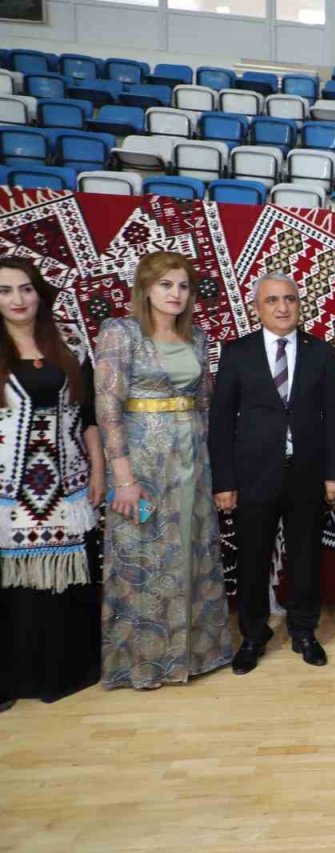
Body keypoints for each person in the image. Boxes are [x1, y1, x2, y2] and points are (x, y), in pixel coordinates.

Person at [97, 252, 232, 690]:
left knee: (192, 552)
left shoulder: (199, 338)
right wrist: (123, 479)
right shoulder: (121, 333)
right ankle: (145, 661)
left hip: (192, 462)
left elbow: (206, 406)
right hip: (143, 464)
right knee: (145, 558)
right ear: (146, 289)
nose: (175, 294)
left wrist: (209, 465)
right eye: (166, 285)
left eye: (183, 286)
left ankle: (196, 655)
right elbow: (108, 409)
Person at [209, 273, 335, 674]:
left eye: (289, 298)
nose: (282, 307)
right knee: (253, 558)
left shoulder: (320, 352)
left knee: (305, 556)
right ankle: (253, 635)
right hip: (253, 475)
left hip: (306, 472)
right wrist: (224, 481)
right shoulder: (237, 353)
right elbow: (220, 423)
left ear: (299, 303)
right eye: (272, 300)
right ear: (258, 307)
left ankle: (304, 631)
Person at [0, 259, 104, 710]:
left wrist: (99, 471)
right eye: (5, 291)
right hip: (7, 489)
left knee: (65, 583)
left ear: (39, 294)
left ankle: (63, 673)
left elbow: (88, 416)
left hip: (65, 485)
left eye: (25, 289)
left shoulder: (70, 347)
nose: (18, 299)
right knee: (11, 588)